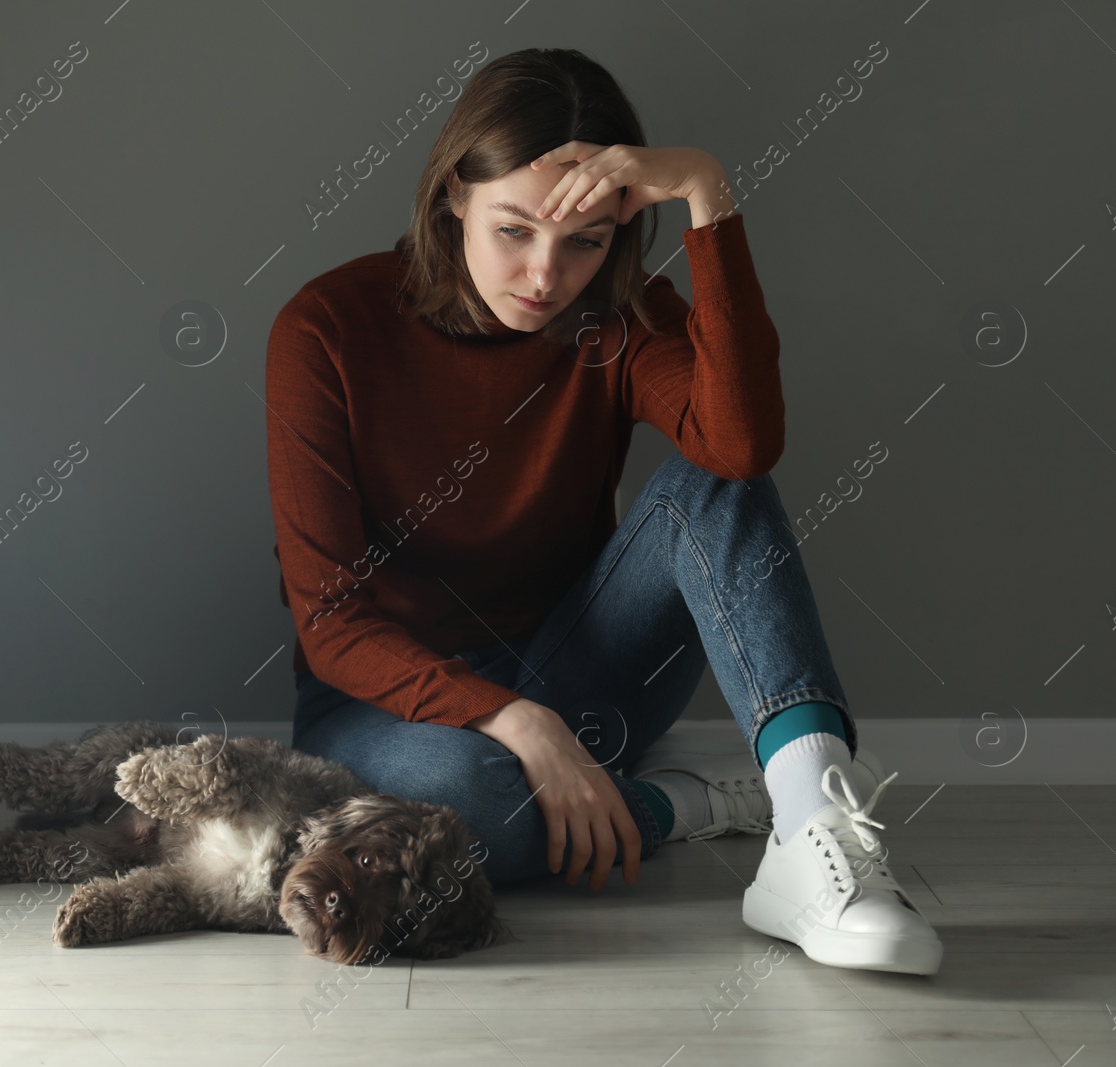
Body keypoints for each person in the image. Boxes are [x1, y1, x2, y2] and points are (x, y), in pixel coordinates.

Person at [264, 47, 942, 976]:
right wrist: (518, 722)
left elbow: (739, 446)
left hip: (581, 668)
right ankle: (678, 806)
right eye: (514, 229)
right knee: (460, 808)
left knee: (714, 483)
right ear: (453, 194)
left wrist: (707, 193)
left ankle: (814, 830)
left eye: (583, 241)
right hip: (386, 710)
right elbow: (333, 623)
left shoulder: (618, 318)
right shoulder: (325, 329)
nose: (546, 275)